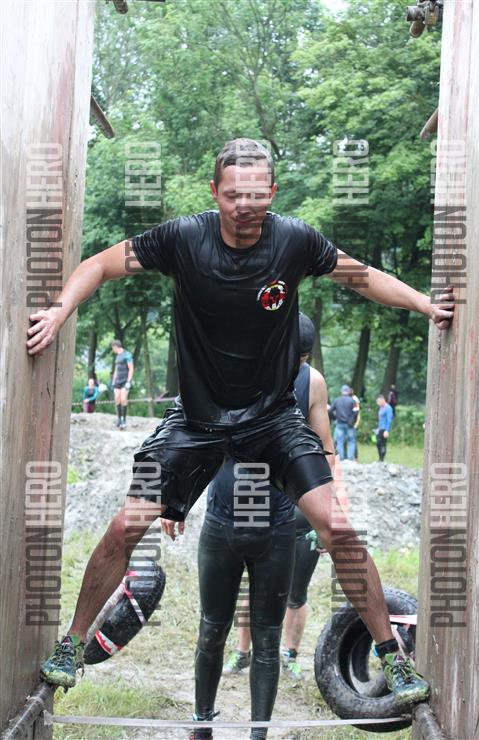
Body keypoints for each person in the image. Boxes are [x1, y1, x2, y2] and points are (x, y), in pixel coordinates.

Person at [29, 138, 454, 706]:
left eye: (256, 196)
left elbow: (363, 276)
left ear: (272, 192)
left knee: (339, 529)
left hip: (273, 418)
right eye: (233, 195)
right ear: (215, 192)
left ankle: (391, 656)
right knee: (126, 525)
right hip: (196, 418)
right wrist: (60, 309)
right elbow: (100, 265)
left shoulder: (294, 240)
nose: (244, 207)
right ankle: (72, 643)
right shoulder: (183, 238)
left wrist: (424, 304)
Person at [163, 314, 332, 739]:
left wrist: (331, 513)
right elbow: (189, 436)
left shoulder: (311, 383)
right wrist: (172, 500)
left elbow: (325, 451)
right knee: (211, 629)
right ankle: (202, 726)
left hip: (277, 524)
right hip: (222, 521)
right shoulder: (226, 370)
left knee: (267, 639)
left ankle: (259, 734)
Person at [328, 385, 358, 461]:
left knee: (339, 441)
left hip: (339, 424)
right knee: (351, 441)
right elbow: (356, 412)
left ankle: (341, 459)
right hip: (349, 424)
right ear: (348, 392)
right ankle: (350, 459)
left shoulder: (337, 400)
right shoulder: (352, 401)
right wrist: (352, 421)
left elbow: (330, 411)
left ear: (341, 392)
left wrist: (335, 418)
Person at [111, 339, 134, 429]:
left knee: (123, 399)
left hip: (125, 381)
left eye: (113, 348)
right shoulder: (117, 357)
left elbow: (131, 369)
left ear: (115, 347)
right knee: (117, 399)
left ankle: (123, 420)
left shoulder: (127, 355)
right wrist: (113, 381)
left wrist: (129, 381)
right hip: (117, 381)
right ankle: (119, 419)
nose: (113, 350)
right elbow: (116, 370)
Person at [376, 394, 394, 462]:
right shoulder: (381, 408)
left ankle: (382, 459)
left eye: (378, 401)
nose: (378, 403)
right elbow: (380, 419)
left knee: (382, 443)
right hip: (380, 428)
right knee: (378, 443)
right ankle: (380, 458)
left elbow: (389, 420)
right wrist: (378, 428)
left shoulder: (388, 408)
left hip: (384, 429)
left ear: (383, 400)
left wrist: (387, 430)